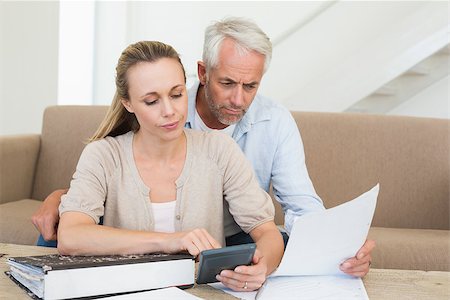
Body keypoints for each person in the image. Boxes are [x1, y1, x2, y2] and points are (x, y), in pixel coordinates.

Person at [33, 17, 374, 278]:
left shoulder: (238, 139)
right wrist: (63, 199)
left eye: (251, 85)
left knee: (281, 243)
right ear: (203, 73)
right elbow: (86, 216)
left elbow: (293, 212)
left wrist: (336, 249)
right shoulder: (109, 152)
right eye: (227, 83)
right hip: (139, 253)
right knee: (57, 234)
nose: (239, 99)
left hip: (224, 245)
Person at [56, 40, 283, 292]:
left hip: (202, 293)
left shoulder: (219, 150)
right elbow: (71, 236)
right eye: (152, 101)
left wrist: (262, 267)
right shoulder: (103, 155)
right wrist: (169, 241)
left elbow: (267, 233)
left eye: (177, 95)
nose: (170, 111)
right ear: (128, 103)